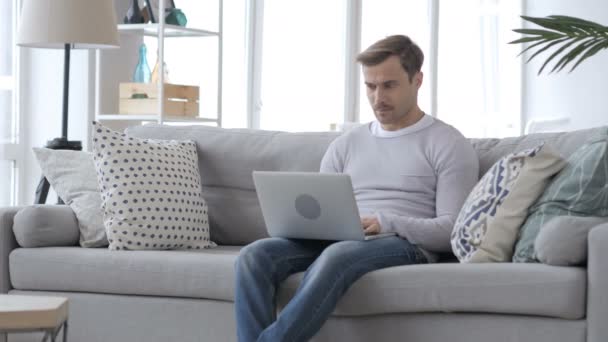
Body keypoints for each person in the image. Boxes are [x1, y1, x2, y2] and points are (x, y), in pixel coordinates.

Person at [234, 34, 479, 342]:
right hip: (342, 237)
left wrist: (386, 222)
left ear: (417, 80)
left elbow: (451, 231)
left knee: (338, 255)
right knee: (255, 255)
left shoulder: (447, 143)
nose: (378, 97)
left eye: (389, 85)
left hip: (404, 242)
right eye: (370, 86)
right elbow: (321, 209)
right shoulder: (346, 145)